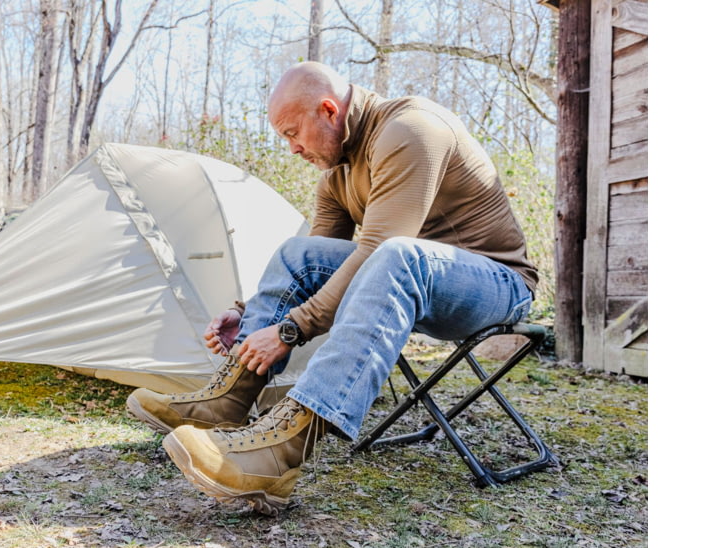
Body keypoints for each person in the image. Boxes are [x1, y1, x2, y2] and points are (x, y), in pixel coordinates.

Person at [126, 61, 538, 515]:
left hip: (496, 284)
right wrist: (246, 314)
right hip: (415, 284)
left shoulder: (411, 130)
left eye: (292, 133)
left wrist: (288, 331)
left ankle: (281, 453)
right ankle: (229, 398)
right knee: (298, 252)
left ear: (327, 109)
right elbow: (312, 266)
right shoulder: (337, 175)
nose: (292, 148)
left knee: (397, 254)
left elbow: (380, 249)